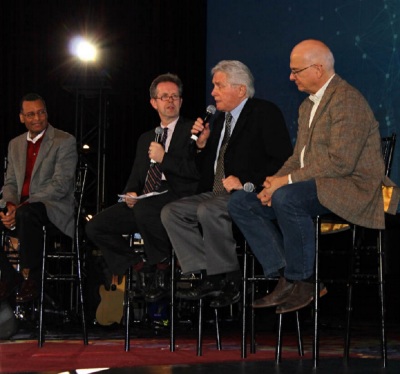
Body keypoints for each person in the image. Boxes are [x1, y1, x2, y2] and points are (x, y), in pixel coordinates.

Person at [228, 39, 397, 314]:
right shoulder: (307, 105)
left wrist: (285, 183)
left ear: (318, 69)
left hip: (351, 188)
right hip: (315, 186)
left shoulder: (347, 100)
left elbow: (340, 163)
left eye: (296, 70)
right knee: (242, 203)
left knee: (288, 197)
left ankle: (305, 281)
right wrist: (273, 180)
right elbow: (298, 158)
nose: (290, 76)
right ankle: (286, 274)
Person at [161, 60, 293, 308]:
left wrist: (247, 182)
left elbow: (284, 159)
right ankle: (206, 274)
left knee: (208, 210)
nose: (213, 92)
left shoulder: (264, 112)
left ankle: (226, 278)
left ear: (241, 90)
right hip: (214, 193)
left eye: (219, 86)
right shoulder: (220, 121)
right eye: (213, 86)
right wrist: (201, 147)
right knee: (171, 212)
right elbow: (205, 171)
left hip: (248, 194)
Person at [85, 73, 199, 302]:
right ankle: (139, 267)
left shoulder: (193, 132)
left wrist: (164, 157)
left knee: (145, 208)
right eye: (164, 96)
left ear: (181, 101)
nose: (170, 101)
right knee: (96, 226)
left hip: (176, 198)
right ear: (153, 102)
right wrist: (131, 192)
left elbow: (194, 173)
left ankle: (162, 267)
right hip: (146, 201)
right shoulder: (146, 137)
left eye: (175, 96)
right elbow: (137, 174)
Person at [0, 93, 78, 303]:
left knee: (27, 213)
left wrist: (22, 206)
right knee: (18, 214)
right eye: (31, 114)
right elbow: (10, 183)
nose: (37, 118)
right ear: (21, 117)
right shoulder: (14, 144)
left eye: (41, 112)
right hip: (21, 210)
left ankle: (31, 279)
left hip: (52, 209)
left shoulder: (64, 140)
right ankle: (10, 277)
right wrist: (9, 206)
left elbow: (60, 185)